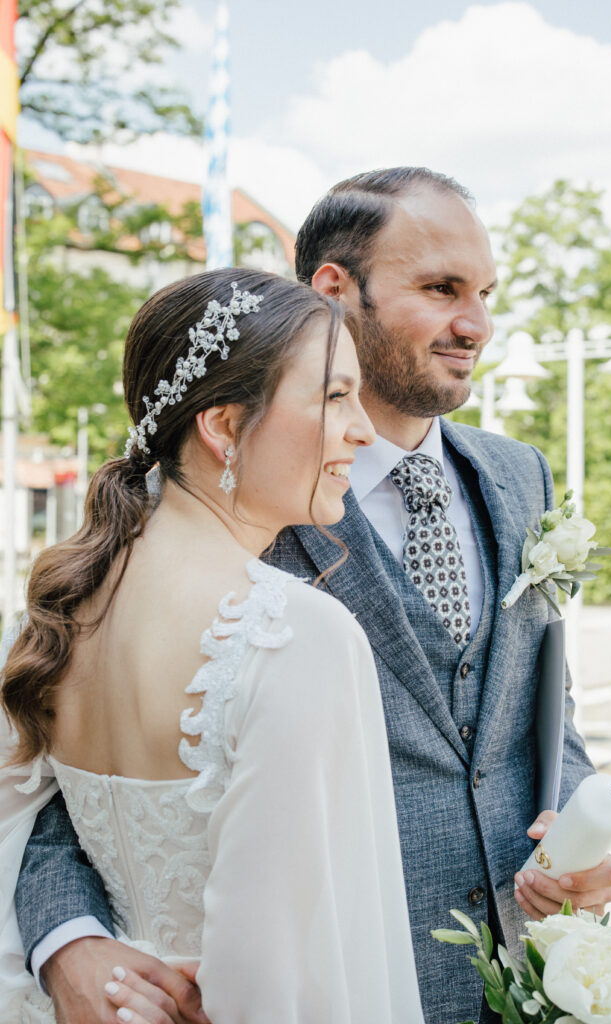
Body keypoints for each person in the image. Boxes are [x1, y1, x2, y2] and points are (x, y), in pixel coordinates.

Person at [11, 168, 611, 1024]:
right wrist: (65, 943)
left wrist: (574, 833)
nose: (475, 324)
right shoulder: (212, 522)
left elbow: (536, 717)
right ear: (335, 289)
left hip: (519, 982)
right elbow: (64, 794)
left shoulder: (521, 477)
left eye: (485, 292)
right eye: (440, 288)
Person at [0, 268, 427, 1023]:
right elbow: (272, 977)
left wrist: (66, 951)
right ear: (223, 426)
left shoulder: (54, 617)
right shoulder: (290, 634)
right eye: (333, 397)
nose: (363, 430)